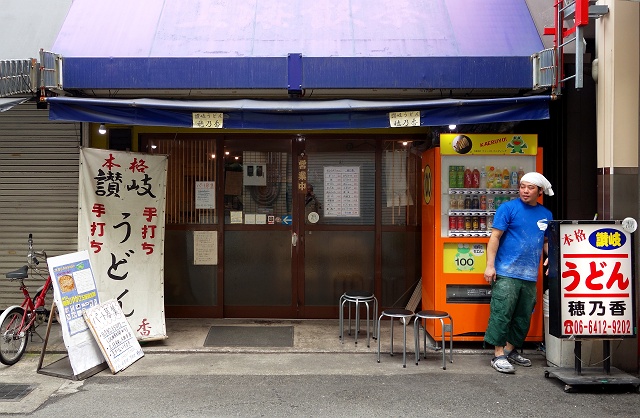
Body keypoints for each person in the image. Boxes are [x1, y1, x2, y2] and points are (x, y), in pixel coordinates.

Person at [483, 172, 553, 374]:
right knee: (501, 313)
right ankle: (498, 355)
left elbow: (546, 241)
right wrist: (490, 265)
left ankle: (510, 349)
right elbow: (495, 237)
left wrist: (553, 258)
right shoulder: (508, 208)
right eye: (522, 186)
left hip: (530, 274)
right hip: (506, 272)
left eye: (530, 187)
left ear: (540, 191)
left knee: (523, 316)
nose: (525, 190)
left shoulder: (546, 214)